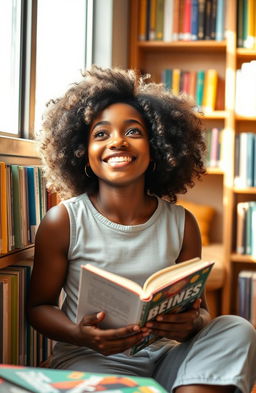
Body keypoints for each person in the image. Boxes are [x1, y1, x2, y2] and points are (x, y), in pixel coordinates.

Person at [28, 66, 256, 393]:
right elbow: (39, 308)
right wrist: (79, 334)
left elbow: (201, 313)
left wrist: (191, 324)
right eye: (101, 134)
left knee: (236, 328)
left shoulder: (181, 223)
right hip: (91, 360)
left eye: (133, 132)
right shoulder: (63, 221)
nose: (117, 141)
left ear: (157, 148)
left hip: (165, 358)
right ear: (83, 152)